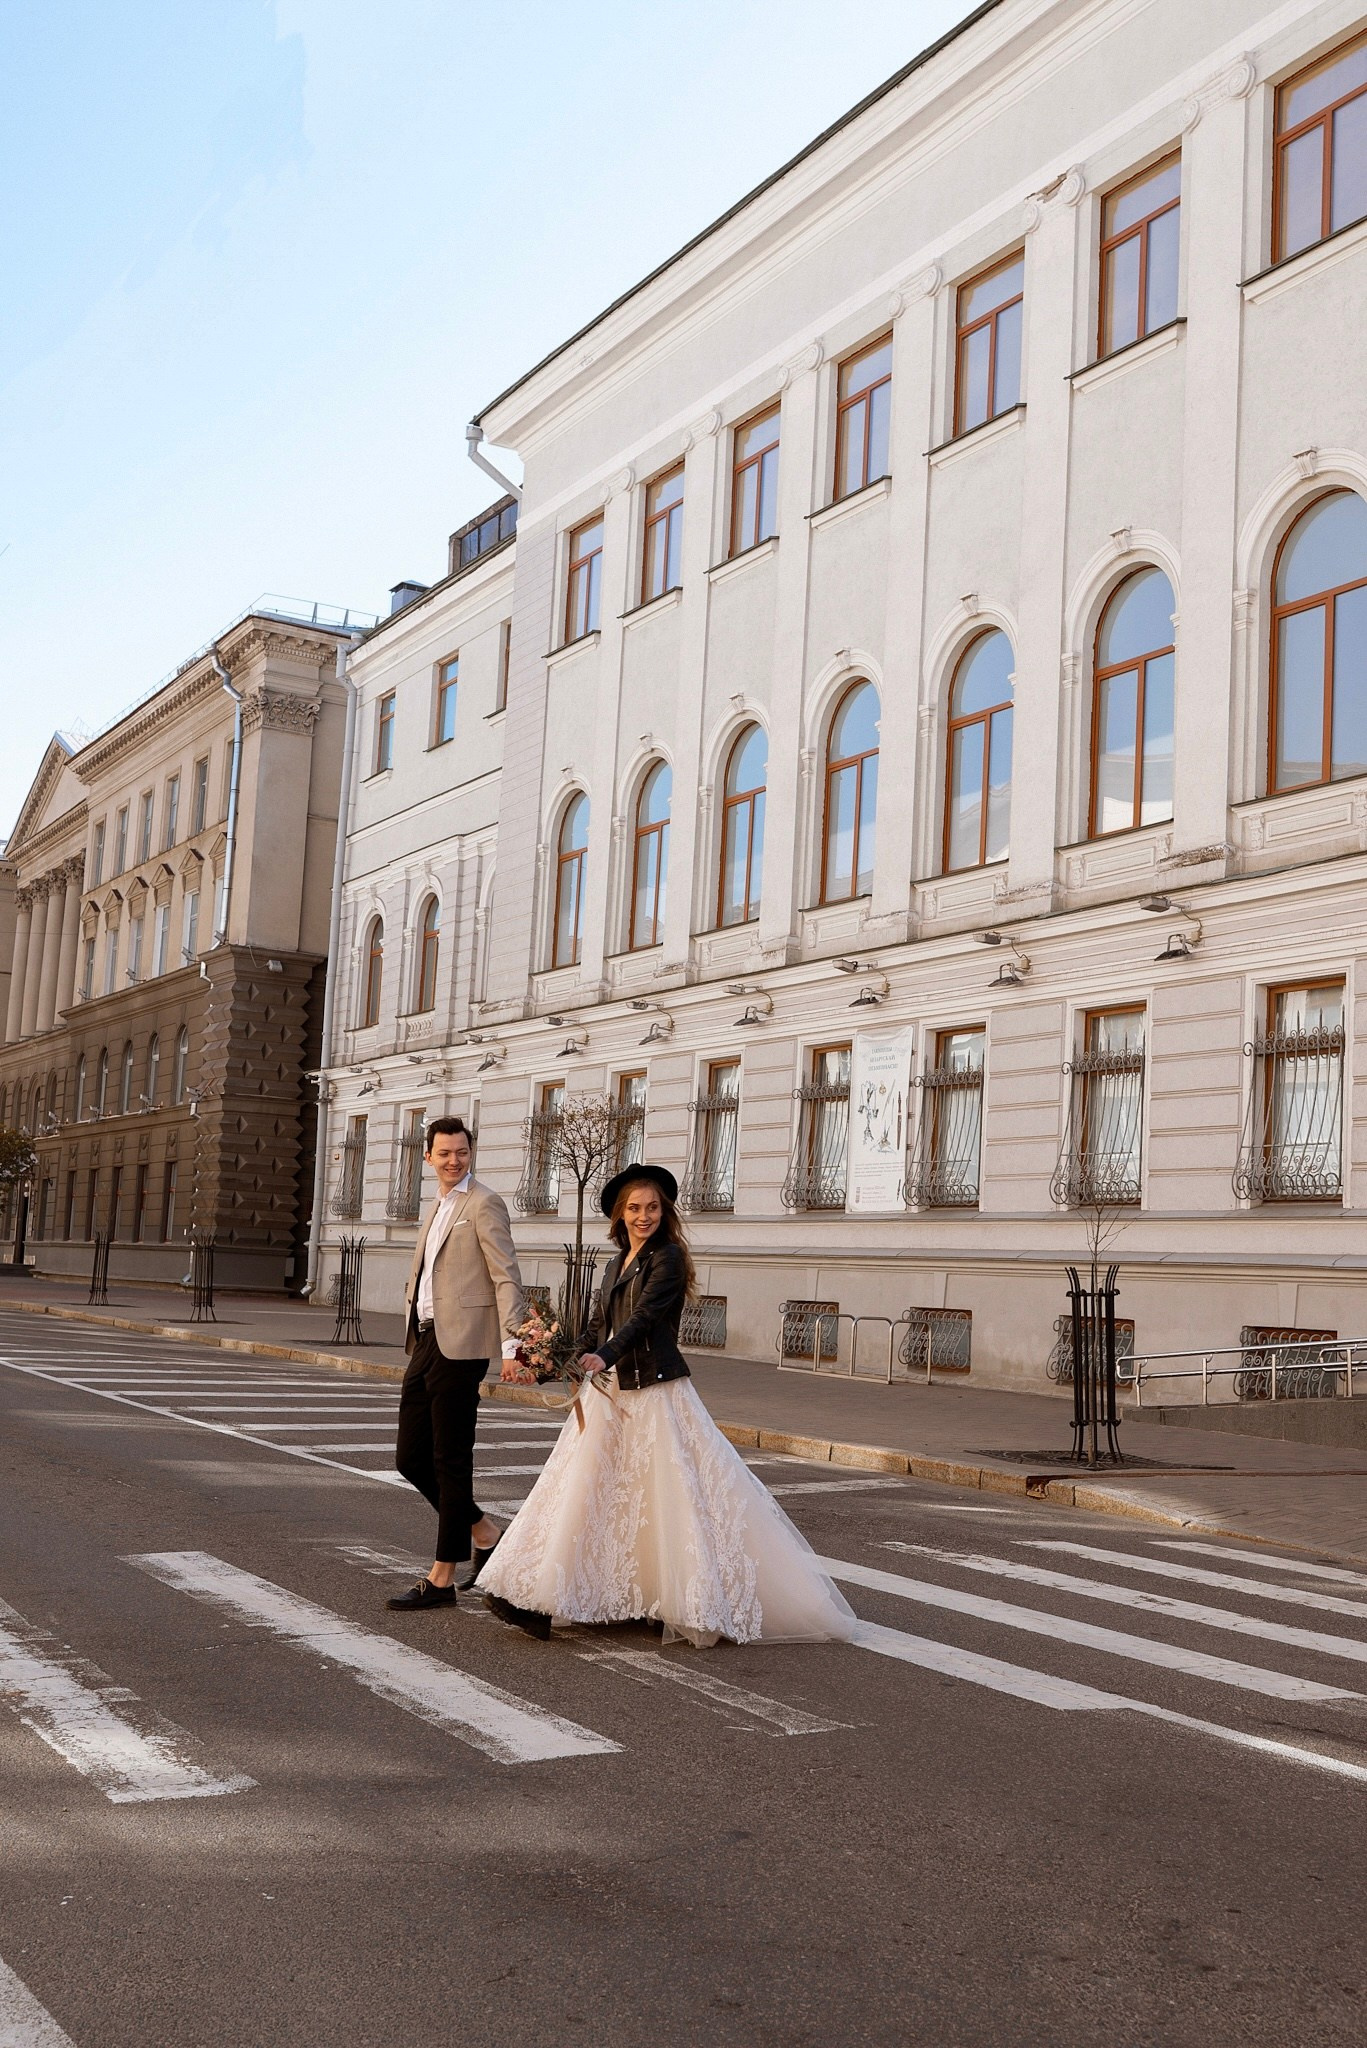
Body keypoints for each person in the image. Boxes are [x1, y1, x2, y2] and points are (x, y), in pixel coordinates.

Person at [479, 1162, 856, 1648]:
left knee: (665, 1496)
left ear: (664, 1211)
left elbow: (643, 1319)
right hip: (610, 1390)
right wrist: (553, 1361)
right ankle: (543, 1595)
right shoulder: (615, 1263)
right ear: (619, 1215)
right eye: (634, 1208)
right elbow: (599, 1324)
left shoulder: (668, 1257)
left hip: (654, 1390)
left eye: (652, 1207)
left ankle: (664, 1598)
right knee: (589, 1491)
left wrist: (604, 1355)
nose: (644, 1216)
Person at [387, 1115, 526, 1612]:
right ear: (428, 1157)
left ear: (471, 1153)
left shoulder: (483, 1202)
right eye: (444, 1153)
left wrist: (513, 1347)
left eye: (461, 1152)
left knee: (450, 1460)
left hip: (463, 1346)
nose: (453, 1161)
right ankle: (485, 1532)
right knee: (410, 1458)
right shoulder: (439, 1205)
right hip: (425, 1340)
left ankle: (441, 1578)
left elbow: (506, 1275)